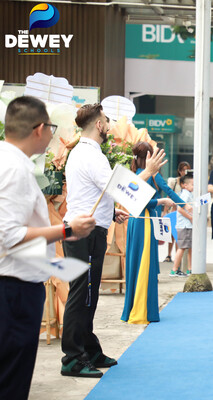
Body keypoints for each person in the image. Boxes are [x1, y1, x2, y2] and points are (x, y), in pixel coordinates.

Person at [0, 96, 96, 399]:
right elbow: (8, 234)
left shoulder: (9, 160)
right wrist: (66, 229)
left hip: (15, 281)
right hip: (12, 287)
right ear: (40, 128)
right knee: (12, 376)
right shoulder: (14, 169)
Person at [61, 103, 166, 378]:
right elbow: (117, 187)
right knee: (82, 295)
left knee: (88, 295)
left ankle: (88, 349)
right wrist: (148, 171)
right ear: (98, 125)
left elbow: (97, 192)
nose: (109, 126)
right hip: (82, 234)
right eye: (107, 121)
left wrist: (111, 212)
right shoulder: (88, 154)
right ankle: (72, 357)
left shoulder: (86, 152)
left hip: (88, 229)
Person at [121, 142, 187, 324]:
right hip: (144, 222)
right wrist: (164, 201)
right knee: (144, 264)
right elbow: (151, 198)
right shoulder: (147, 175)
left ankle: (137, 307)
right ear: (148, 157)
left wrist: (179, 202)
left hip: (137, 222)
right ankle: (142, 310)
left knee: (139, 263)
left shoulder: (135, 174)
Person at [164, 161, 191, 263]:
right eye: (183, 170)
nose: (185, 172)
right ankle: (168, 254)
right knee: (171, 234)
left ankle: (177, 257)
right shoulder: (174, 181)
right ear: (179, 171)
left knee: (179, 235)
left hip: (185, 212)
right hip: (173, 210)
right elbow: (169, 195)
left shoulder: (190, 182)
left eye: (187, 169)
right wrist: (165, 211)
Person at [171, 174, 194, 277]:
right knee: (182, 247)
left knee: (189, 247)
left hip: (187, 225)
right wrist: (190, 218)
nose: (194, 187)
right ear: (185, 185)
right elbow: (180, 209)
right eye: (192, 184)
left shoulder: (188, 193)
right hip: (185, 225)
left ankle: (190, 269)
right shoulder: (185, 194)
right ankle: (174, 269)